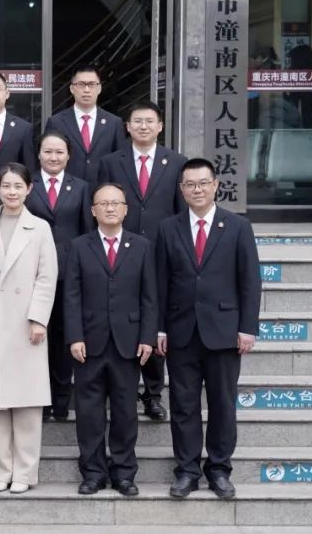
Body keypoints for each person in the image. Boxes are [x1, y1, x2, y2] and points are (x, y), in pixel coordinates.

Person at [155, 158, 260, 499]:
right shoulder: (168, 228)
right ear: (182, 189)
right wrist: (159, 329)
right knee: (183, 405)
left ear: (215, 185)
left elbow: (250, 281)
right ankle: (187, 471)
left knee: (222, 405)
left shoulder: (238, 226)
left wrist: (248, 328)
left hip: (224, 332)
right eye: (190, 184)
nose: (197, 189)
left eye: (203, 183)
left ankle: (219, 470)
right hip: (181, 331)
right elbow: (160, 283)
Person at [0, 163, 57, 494]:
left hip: (26, 326)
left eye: (18, 186)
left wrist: (38, 318)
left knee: (27, 405)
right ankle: (0, 470)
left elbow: (46, 277)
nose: (12, 191)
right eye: (6, 185)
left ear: (29, 189)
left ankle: (25, 472)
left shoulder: (40, 228)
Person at [64, 182, 156, 497]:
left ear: (126, 209)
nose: (110, 208)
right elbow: (71, 295)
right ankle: (92, 473)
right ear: (93, 210)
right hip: (88, 344)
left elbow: (150, 297)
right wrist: (74, 336)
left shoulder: (142, 246)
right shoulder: (79, 246)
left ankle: (124, 473)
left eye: (116, 203)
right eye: (103, 203)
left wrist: (147, 337)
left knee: (125, 412)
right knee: (88, 413)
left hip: (128, 344)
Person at [97, 100, 187, 422]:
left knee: (154, 318)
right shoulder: (111, 162)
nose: (144, 126)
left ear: (160, 126)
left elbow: (180, 211)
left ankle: (153, 394)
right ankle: (121, 389)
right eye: (137, 121)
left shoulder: (176, 162)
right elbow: (102, 203)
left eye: (150, 121)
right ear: (128, 126)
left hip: (160, 251)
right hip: (120, 251)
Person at [25, 132, 91, 422]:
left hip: (68, 272)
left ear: (68, 155)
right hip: (31, 273)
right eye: (48, 151)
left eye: (59, 152)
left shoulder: (82, 187)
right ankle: (39, 401)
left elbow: (87, 231)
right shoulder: (27, 184)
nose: (53, 157)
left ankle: (61, 401)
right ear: (38, 154)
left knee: (63, 336)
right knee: (36, 337)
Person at [44, 65, 126, 186]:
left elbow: (120, 161)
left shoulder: (114, 123)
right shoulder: (56, 122)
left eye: (92, 84)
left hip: (102, 190)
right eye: (81, 84)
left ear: (99, 88)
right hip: (67, 190)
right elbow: (47, 159)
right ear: (72, 88)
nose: (86, 90)